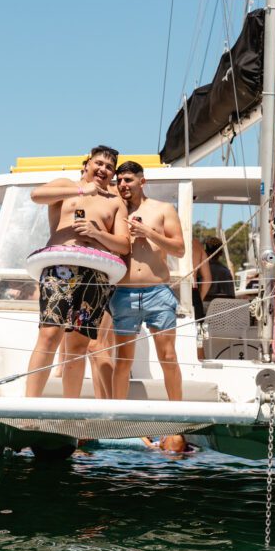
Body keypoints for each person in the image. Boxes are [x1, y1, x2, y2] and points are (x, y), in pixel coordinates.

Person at [25, 145, 130, 398]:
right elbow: (36, 195)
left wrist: (96, 234)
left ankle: (70, 408)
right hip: (60, 267)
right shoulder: (66, 185)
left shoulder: (115, 203)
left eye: (109, 167)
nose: (103, 169)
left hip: (96, 275)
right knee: (50, 334)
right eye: (99, 164)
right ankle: (29, 405)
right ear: (87, 164)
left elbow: (124, 244)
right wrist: (82, 189)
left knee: (79, 344)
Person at [110, 161, 186, 401]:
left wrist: (149, 233)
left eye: (128, 180)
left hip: (157, 291)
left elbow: (180, 249)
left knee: (168, 357)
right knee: (122, 361)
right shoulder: (115, 211)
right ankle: (117, 419)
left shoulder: (163, 209)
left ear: (142, 181)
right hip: (124, 293)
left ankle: (178, 418)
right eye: (119, 180)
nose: (123, 185)